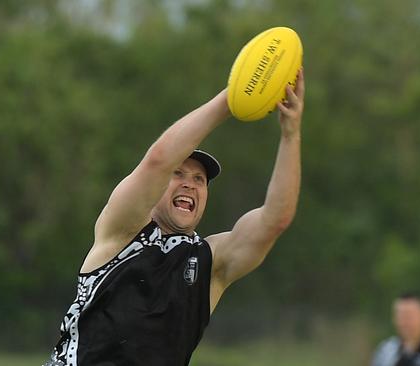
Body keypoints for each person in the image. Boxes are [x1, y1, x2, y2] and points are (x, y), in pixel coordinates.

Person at [44, 69, 305, 366]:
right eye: (178, 173)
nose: (189, 184)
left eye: (199, 179)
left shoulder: (211, 263)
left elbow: (275, 219)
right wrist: (232, 99)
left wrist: (291, 133)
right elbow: (158, 161)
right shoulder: (122, 231)